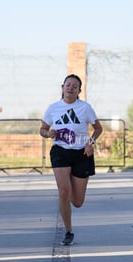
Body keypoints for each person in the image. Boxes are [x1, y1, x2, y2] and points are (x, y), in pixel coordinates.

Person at [40, 74, 103, 245]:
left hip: (82, 153)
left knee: (77, 201)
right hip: (60, 151)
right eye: (68, 85)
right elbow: (43, 129)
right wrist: (48, 133)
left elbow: (98, 128)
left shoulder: (85, 108)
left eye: (75, 86)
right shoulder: (53, 108)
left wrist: (91, 142)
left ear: (79, 91)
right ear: (62, 87)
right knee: (63, 191)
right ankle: (68, 231)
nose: (70, 88)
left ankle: (66, 200)